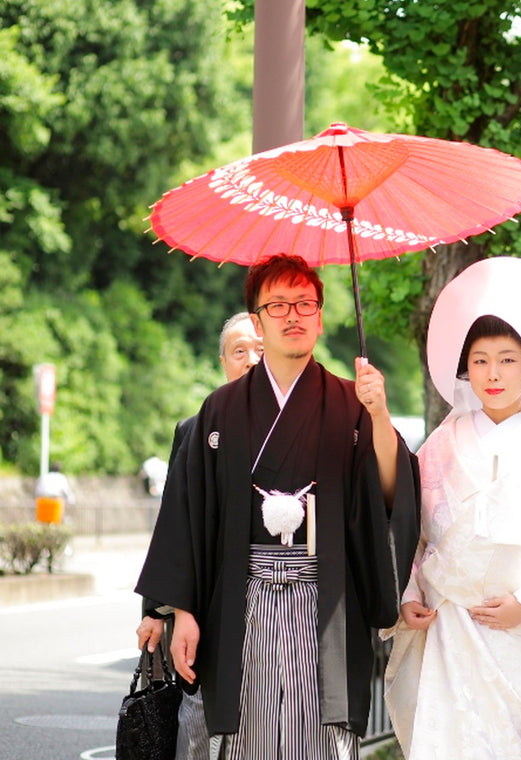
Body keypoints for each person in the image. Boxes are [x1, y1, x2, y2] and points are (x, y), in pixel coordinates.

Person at [136, 254, 421, 759]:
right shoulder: (220, 409)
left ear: (320, 314)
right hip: (240, 599)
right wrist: (183, 610)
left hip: (326, 600)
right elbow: (189, 514)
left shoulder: (352, 402)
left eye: (305, 303)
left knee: (321, 738)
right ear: (258, 320)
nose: (293, 315)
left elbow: (389, 492)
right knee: (246, 734)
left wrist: (378, 419)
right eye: (278, 304)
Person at [383, 256, 521, 759]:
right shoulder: (443, 442)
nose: (493, 373)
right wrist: (411, 589)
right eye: (480, 360)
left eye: (507, 359)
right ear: (466, 369)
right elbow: (414, 530)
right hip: (452, 624)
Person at [135, 311, 262, 760]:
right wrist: (156, 610)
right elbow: (176, 518)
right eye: (239, 351)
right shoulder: (195, 428)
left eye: (259, 350)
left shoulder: (296, 426)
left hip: (279, 594)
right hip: (208, 600)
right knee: (200, 720)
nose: (250, 360)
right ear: (223, 361)